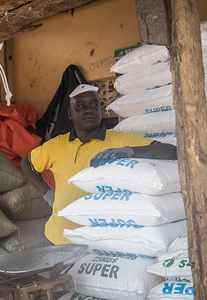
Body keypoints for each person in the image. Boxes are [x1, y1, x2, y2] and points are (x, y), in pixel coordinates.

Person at [21, 84, 177, 245]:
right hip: (58, 238)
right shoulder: (55, 146)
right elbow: (26, 163)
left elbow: (171, 152)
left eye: (94, 105)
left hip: (100, 243)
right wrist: (47, 194)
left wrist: (131, 151)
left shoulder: (119, 140)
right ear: (70, 113)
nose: (89, 110)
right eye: (80, 106)